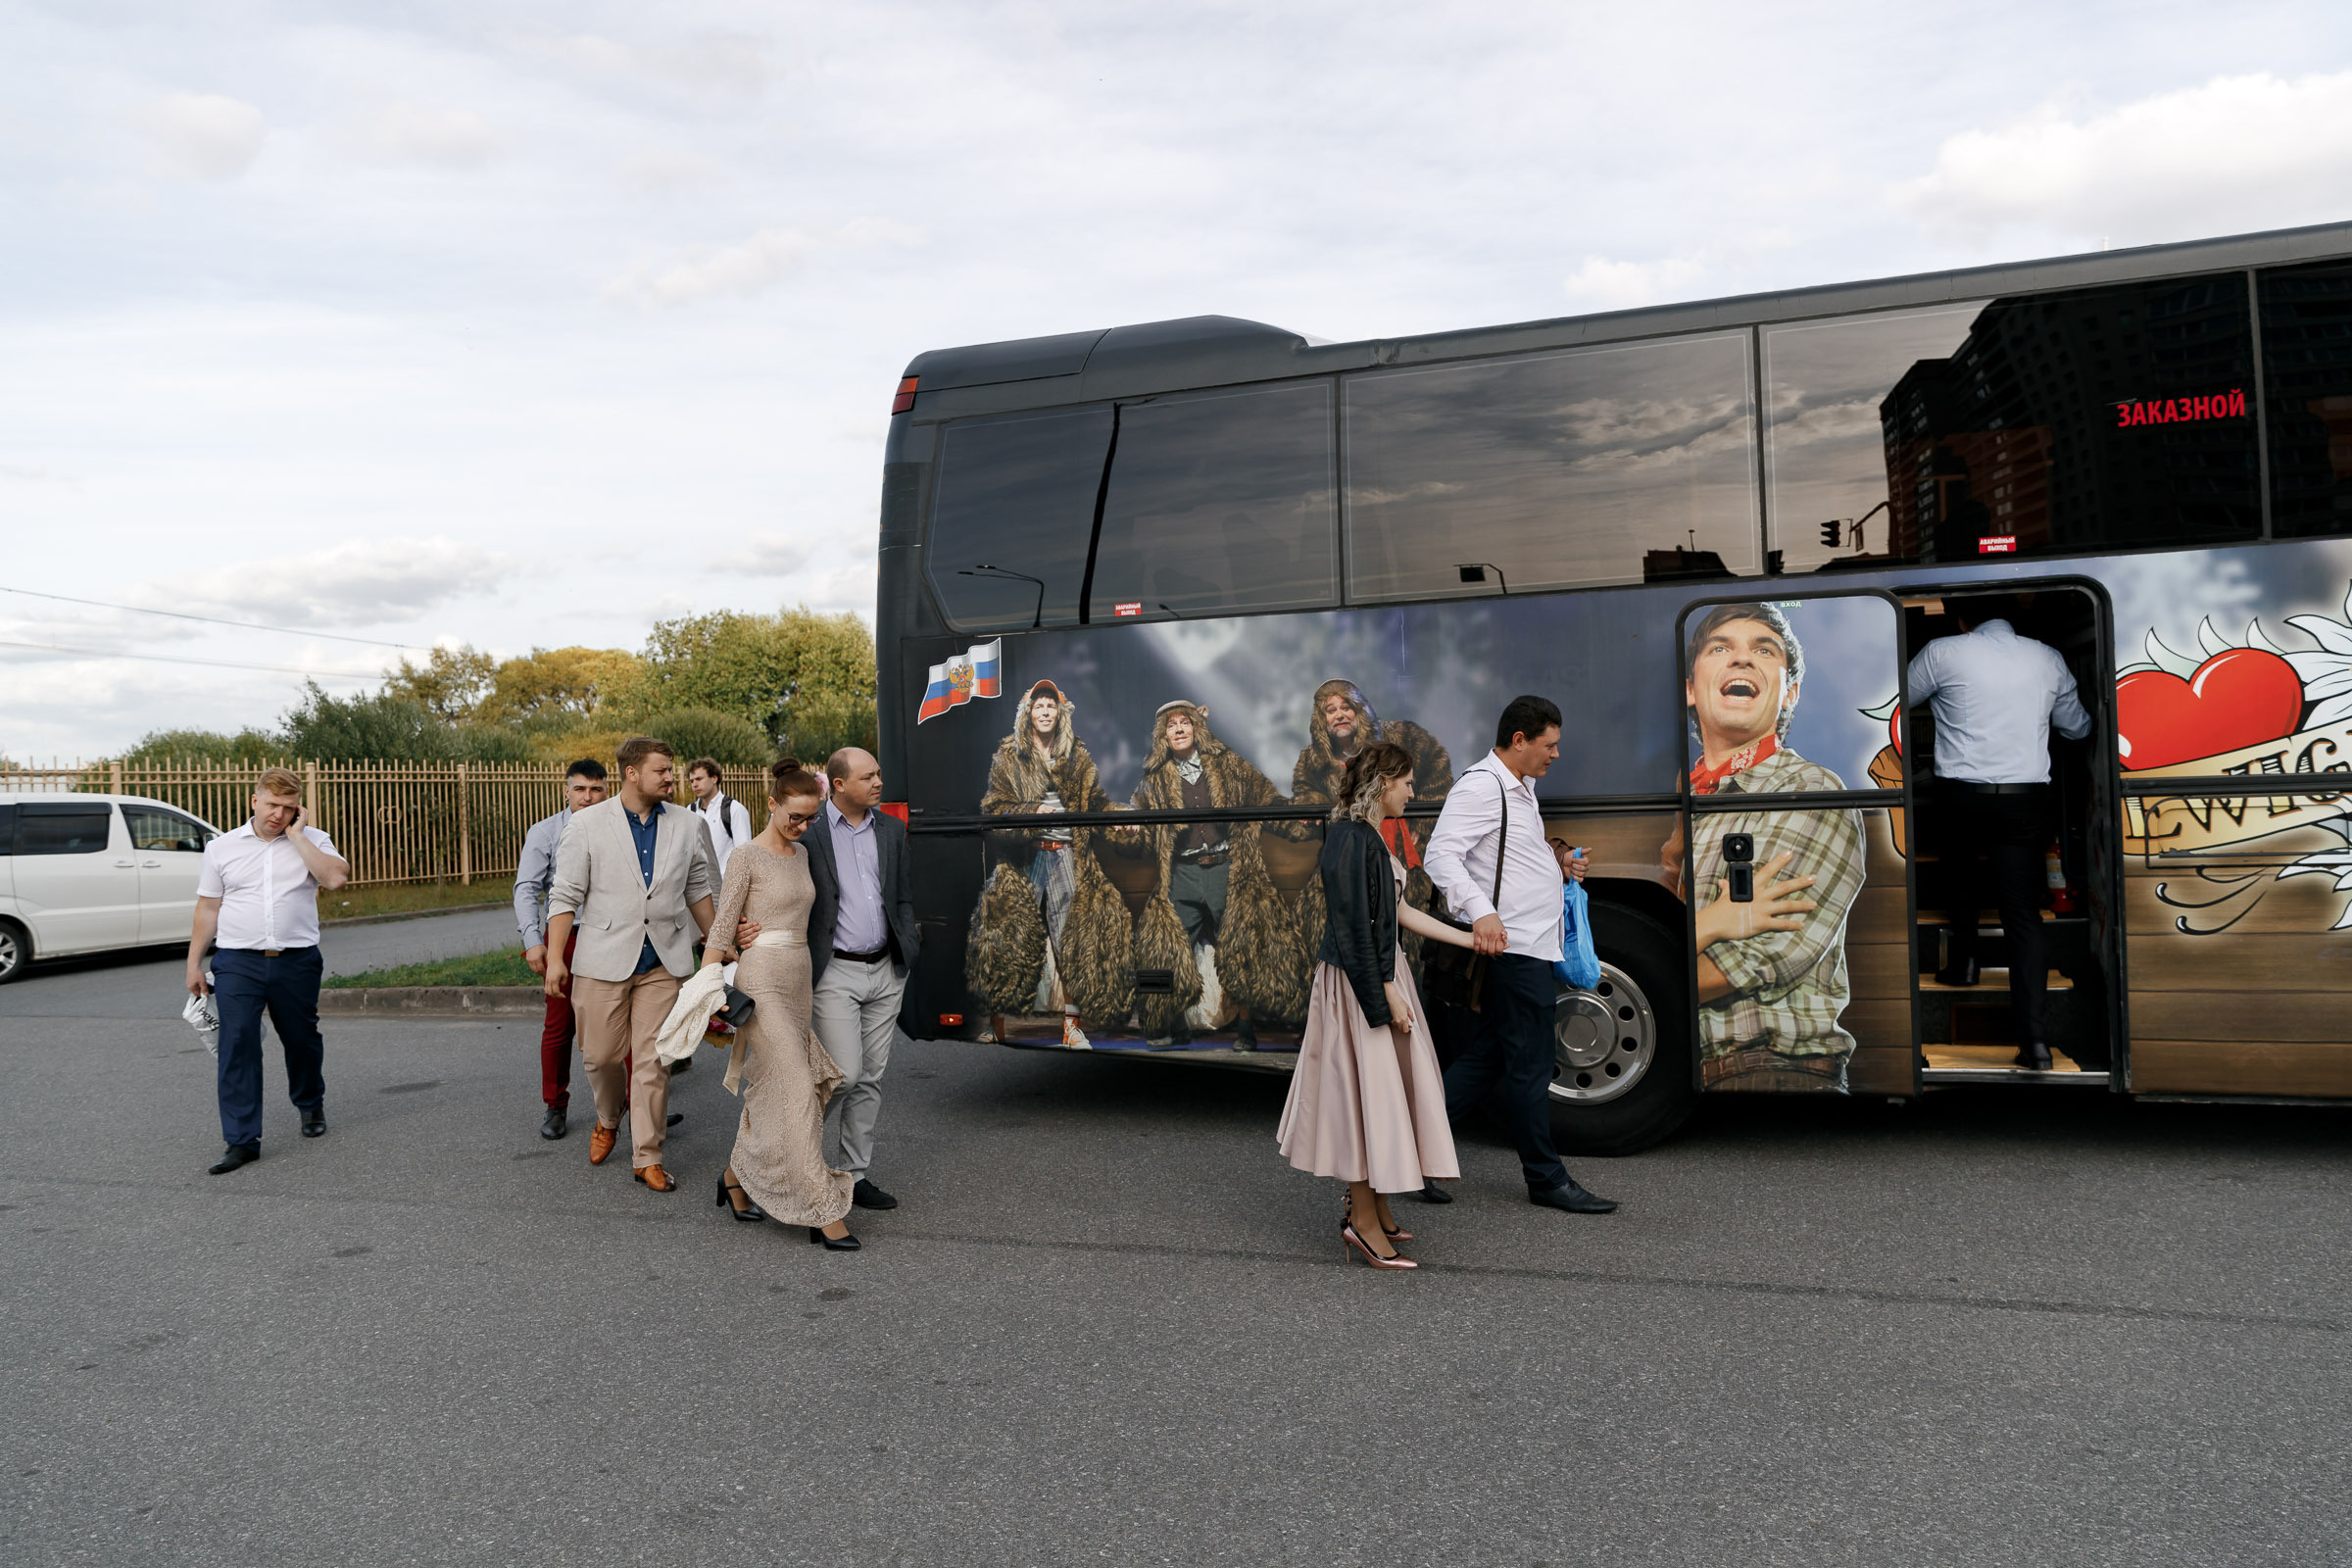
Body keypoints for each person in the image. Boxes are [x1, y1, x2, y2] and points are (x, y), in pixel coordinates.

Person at [1279, 742, 1473, 1269]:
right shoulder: (1349, 838)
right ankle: (1361, 1224)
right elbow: (1350, 929)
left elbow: (1399, 912)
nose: (1413, 792)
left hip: (1377, 975)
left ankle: (1376, 1211)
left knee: (1380, 1097)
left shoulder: (1367, 836)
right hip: (1359, 983)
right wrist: (1383, 992)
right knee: (1366, 1102)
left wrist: (1471, 938)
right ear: (1383, 782)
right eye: (1407, 782)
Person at [1425, 695, 1618, 1215]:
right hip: (1513, 947)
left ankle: (1410, 1153)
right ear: (1518, 740)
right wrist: (1481, 911)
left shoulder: (1520, 787)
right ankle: (1546, 1179)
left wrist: (1558, 862)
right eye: (1549, 745)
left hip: (1530, 943)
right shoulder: (1483, 786)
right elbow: (1441, 854)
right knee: (1531, 1065)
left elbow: (1507, 855)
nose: (1556, 754)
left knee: (1490, 1056)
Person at [1671, 603, 1867, 1091]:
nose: (1742, 659)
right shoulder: (1693, 804)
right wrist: (1710, 922)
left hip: (1769, 1071)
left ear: (1789, 693)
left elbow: (1752, 959)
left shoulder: (1811, 791)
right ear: (1691, 690)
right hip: (1684, 1072)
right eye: (1721, 648)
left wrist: (1649, 964)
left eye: (1764, 650)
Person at [1907, 596, 2092, 1071]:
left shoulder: (1943, 651)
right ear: (2017, 615)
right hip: (2024, 798)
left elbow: (1895, 700)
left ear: (1962, 615)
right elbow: (2076, 728)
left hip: (1960, 795)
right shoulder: (2047, 657)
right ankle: (2035, 1044)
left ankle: (1964, 961)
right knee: (2022, 915)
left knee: (1960, 868)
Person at [544, 736, 717, 1193]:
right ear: (632, 773)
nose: (671, 777)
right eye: (661, 769)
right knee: (599, 1057)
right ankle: (607, 1116)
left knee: (652, 1060)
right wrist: (555, 962)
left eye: (672, 768)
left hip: (664, 959)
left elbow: (697, 886)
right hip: (601, 959)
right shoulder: (587, 825)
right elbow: (564, 895)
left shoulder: (686, 823)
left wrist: (719, 944)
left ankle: (647, 1155)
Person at [702, 760, 861, 1249]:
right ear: (771, 804)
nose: (802, 826)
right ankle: (823, 1211)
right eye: (794, 816)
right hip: (761, 981)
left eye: (811, 818)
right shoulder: (745, 857)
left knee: (797, 1088)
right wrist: (709, 984)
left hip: (799, 981)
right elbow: (721, 930)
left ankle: (735, 1176)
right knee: (796, 1084)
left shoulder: (801, 855)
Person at [184, 766, 351, 1175]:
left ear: (299, 811)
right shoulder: (222, 848)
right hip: (238, 961)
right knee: (237, 1045)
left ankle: (310, 1105)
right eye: (272, 804)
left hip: (296, 960)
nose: (278, 814)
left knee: (301, 1039)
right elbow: (208, 908)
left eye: (288, 808)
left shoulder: (313, 841)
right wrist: (194, 963)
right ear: (254, 801)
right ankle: (241, 1141)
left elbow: (335, 879)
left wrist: (297, 837)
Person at [1123, 700, 1305, 1048]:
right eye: (1170, 725)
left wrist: (1298, 816)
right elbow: (1140, 826)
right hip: (1181, 874)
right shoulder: (1154, 779)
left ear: (1196, 727)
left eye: (1184, 723)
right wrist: (1128, 830)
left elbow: (1266, 798)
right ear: (1163, 735)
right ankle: (1169, 1023)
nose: (1178, 729)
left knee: (1240, 947)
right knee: (1163, 949)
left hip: (1226, 869)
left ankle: (1247, 1030)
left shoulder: (1227, 765)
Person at [967, 680, 1132, 1047]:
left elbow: (1098, 804)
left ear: (1061, 713)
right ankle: (996, 1024)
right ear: (1028, 713)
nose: (1045, 711)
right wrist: (1032, 811)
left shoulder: (1077, 756)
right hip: (1023, 858)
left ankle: (1072, 1029)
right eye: (1039, 705)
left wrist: (1121, 817)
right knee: (1003, 939)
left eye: (1051, 706)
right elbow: (993, 810)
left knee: (1071, 942)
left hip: (1066, 855)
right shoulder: (1009, 755)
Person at [798, 746, 921, 1212]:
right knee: (842, 1075)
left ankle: (854, 1174)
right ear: (840, 784)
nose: (878, 782)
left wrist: (909, 944)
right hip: (835, 971)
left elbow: (903, 896)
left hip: (886, 969)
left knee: (870, 1078)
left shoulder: (891, 830)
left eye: (879, 774)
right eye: (868, 776)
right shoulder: (809, 832)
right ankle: (786, 1149)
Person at [516, 759, 609, 1141]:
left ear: (607, 790)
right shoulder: (545, 832)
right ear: (566, 791)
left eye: (596, 789)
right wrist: (534, 942)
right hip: (566, 938)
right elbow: (527, 889)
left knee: (626, 1022)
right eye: (580, 789)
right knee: (560, 1026)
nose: (588, 797)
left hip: (611, 936)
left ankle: (638, 1105)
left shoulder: (619, 827)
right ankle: (555, 1105)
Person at [686, 759, 754, 879]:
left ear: (714, 778)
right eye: (691, 781)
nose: (694, 784)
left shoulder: (734, 809)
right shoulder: (690, 811)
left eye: (699, 779)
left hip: (725, 886)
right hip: (698, 888)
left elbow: (745, 855)